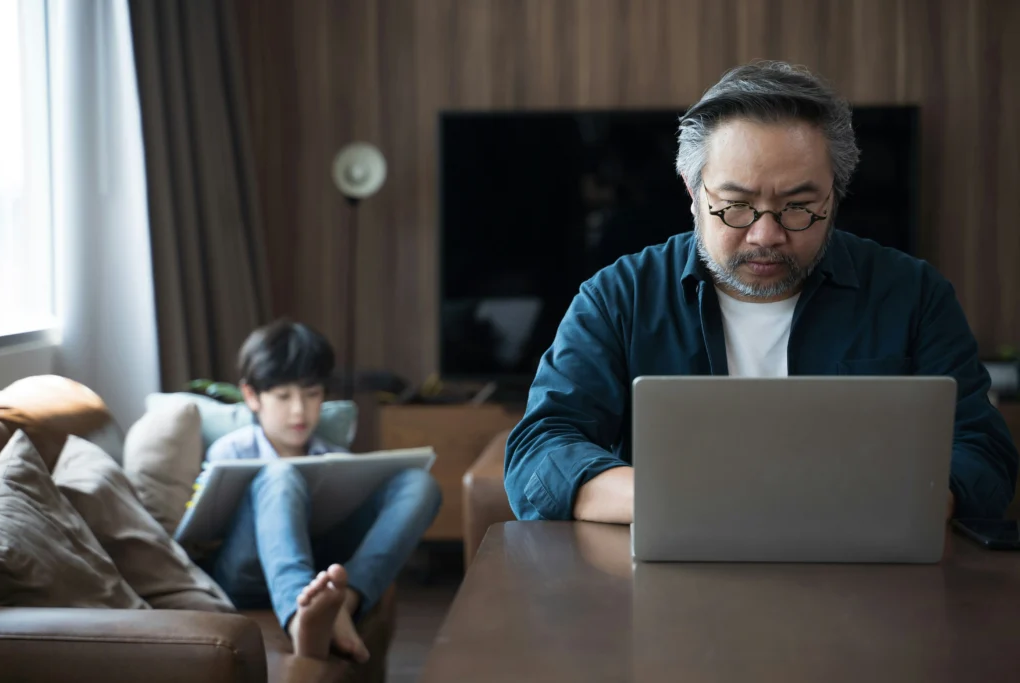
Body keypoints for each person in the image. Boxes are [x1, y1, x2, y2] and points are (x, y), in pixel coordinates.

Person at [504, 61, 1018, 525]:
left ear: (834, 194)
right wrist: (681, 499)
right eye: (736, 206)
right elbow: (540, 453)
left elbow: (983, 453)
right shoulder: (619, 297)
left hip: (864, 574)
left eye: (799, 206)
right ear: (692, 191)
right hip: (675, 572)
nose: (766, 235)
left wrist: (895, 505)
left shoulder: (912, 295)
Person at [203, 320, 441, 661]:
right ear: (252, 396)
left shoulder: (335, 458)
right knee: (280, 476)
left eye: (311, 394)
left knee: (420, 484)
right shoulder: (229, 453)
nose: (299, 410)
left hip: (321, 564)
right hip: (246, 573)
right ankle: (302, 618)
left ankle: (345, 603)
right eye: (283, 396)